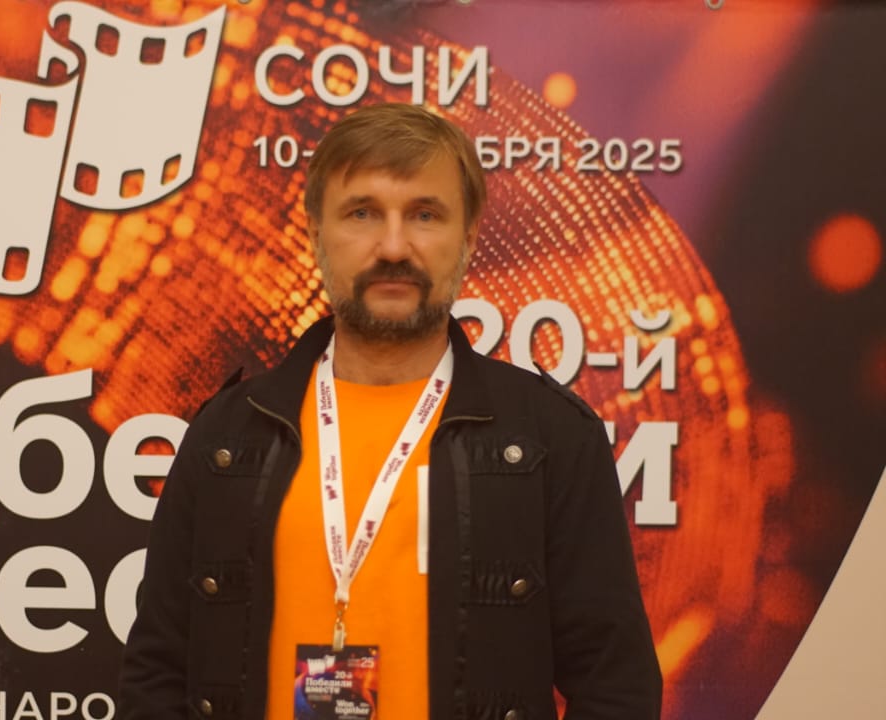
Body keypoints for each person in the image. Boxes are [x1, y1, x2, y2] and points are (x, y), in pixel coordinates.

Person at [119, 103, 662, 720]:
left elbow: (616, 686)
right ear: (315, 233)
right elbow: (157, 670)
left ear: (469, 237)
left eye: (425, 215)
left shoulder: (550, 437)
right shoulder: (228, 433)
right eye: (363, 213)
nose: (395, 246)